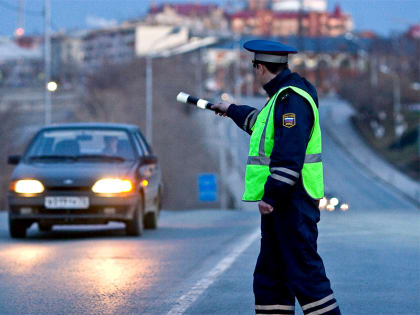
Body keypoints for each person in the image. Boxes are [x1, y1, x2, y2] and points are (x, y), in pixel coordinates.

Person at [211, 40, 341, 315]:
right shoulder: (283, 97)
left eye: (253, 67)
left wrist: (271, 196)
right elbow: (262, 126)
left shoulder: (291, 99)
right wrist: (231, 109)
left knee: (306, 276)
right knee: (272, 277)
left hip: (291, 202)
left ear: (259, 68)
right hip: (286, 203)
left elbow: (288, 154)